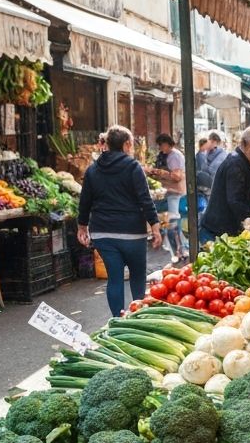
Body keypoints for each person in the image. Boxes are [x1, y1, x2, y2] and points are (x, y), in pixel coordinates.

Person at [77, 125, 162, 318]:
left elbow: (85, 201)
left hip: (103, 233)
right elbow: (145, 200)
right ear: (127, 144)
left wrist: (82, 227)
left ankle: (118, 319)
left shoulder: (93, 169)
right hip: (132, 233)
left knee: (114, 278)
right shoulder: (133, 167)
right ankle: (139, 318)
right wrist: (155, 227)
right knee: (137, 276)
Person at [200, 125, 250, 242]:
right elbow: (235, 200)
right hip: (217, 232)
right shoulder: (236, 164)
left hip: (224, 230)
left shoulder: (241, 161)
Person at [148, 133, 188, 263]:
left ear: (167, 144)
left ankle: (179, 251)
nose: (160, 147)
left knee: (172, 222)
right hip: (170, 192)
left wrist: (160, 172)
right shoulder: (168, 155)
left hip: (175, 193)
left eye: (161, 145)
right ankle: (179, 249)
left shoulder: (174, 156)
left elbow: (177, 176)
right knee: (169, 220)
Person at [195, 130, 226, 198]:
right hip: (203, 188)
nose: (207, 143)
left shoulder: (222, 155)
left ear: (214, 142)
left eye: (209, 141)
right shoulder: (205, 153)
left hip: (213, 189)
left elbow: (211, 171)